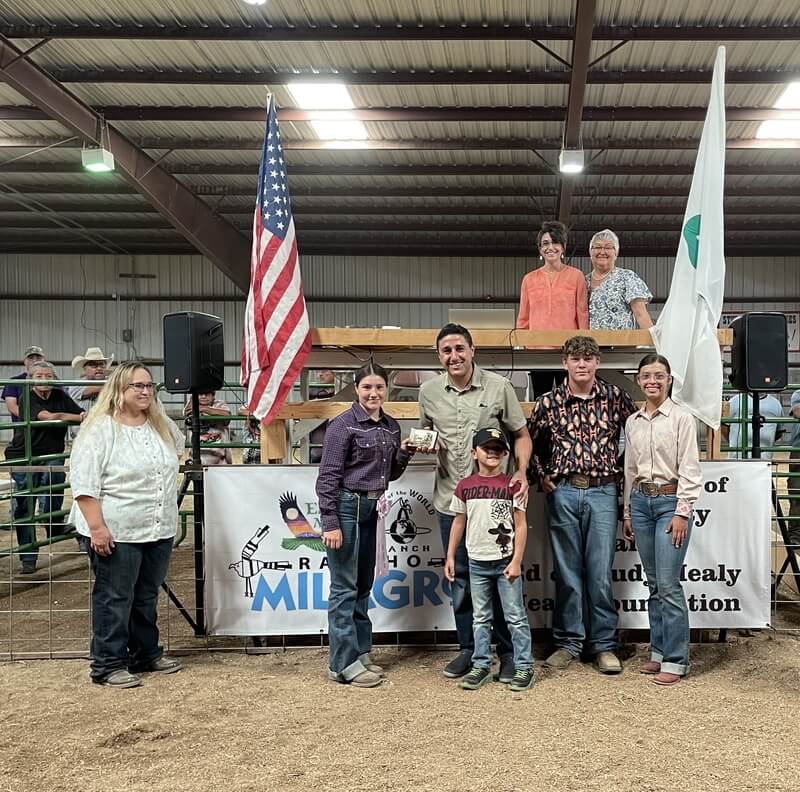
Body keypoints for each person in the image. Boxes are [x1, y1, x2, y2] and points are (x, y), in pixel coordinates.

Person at [418, 323, 531, 682]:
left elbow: (521, 434)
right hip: (453, 500)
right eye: (446, 350)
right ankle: (470, 650)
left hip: (496, 503)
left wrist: (523, 471)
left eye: (459, 348)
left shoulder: (499, 387)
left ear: (472, 350)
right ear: (439, 356)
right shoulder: (428, 391)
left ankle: (508, 652)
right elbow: (426, 435)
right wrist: (425, 444)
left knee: (500, 577)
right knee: (463, 579)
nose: (454, 356)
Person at [68, 361, 185, 688]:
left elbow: (178, 449)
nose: (146, 391)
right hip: (117, 527)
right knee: (115, 596)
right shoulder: (100, 429)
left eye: (149, 386)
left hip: (157, 527)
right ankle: (108, 663)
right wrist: (97, 527)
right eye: (138, 386)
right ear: (119, 389)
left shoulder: (158, 425)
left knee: (145, 595)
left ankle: (145, 652)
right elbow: (84, 483)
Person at [527, 335, 635, 674]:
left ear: (597, 362)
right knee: (568, 573)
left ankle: (603, 645)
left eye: (588, 358)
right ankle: (568, 642)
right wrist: (541, 474)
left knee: (600, 573)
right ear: (565, 363)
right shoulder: (548, 403)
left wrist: (620, 469)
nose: (582, 364)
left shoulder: (615, 397)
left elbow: (637, 435)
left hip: (603, 491)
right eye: (576, 359)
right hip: (563, 492)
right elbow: (529, 443)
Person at [316, 363, 415, 688]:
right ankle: (341, 663)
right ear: (356, 389)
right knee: (344, 587)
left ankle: (359, 651)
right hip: (346, 506)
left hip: (373, 506)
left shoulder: (391, 427)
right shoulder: (342, 425)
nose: (373, 394)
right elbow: (328, 476)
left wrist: (405, 455)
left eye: (379, 388)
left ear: (387, 390)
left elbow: (391, 475)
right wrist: (330, 521)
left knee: (362, 585)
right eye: (367, 388)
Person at [623, 353, 702, 686]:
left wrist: (682, 511)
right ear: (639, 380)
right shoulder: (633, 421)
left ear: (669, 379)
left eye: (658, 375)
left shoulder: (683, 418)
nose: (651, 381)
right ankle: (658, 650)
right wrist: (628, 510)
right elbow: (629, 469)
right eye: (645, 375)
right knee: (654, 583)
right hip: (642, 502)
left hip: (670, 502)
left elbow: (691, 469)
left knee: (669, 584)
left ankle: (676, 658)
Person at [445, 427, 534, 693]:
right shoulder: (465, 486)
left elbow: (520, 525)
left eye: (498, 449)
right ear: (474, 453)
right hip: (477, 561)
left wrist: (517, 559)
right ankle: (481, 664)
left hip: (505, 560)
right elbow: (458, 521)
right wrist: (450, 555)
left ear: (506, 454)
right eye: (487, 448)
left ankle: (524, 666)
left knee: (515, 616)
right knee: (480, 617)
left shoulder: (513, 485)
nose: (493, 453)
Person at [4, 361, 85, 574]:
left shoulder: (60, 395)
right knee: (24, 504)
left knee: (54, 485)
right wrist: (77, 418)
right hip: (24, 456)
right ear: (31, 379)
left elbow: (82, 412)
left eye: (48, 375)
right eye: (38, 376)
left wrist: (76, 416)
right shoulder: (26, 397)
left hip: (51, 454)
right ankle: (28, 555)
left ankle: (53, 525)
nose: (44, 379)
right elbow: (50, 418)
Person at [517, 221, 589, 396]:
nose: (550, 247)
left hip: (568, 350)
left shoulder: (576, 276)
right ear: (540, 249)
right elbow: (523, 316)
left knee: (570, 398)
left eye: (555, 242)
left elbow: (582, 313)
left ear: (563, 247)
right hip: (537, 350)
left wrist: (582, 347)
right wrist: (522, 344)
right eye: (545, 244)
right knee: (542, 398)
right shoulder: (529, 279)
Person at [585, 229, 653, 330]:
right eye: (597, 247)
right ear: (590, 252)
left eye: (608, 247)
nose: (602, 252)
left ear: (616, 253)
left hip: (621, 344)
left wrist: (654, 343)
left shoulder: (627, 277)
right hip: (591, 344)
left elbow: (641, 314)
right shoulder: (583, 281)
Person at [68, 347, 112, 438]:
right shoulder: (76, 385)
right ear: (85, 369)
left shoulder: (111, 382)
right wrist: (113, 384)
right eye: (94, 366)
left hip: (106, 433)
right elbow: (90, 390)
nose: (99, 368)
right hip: (81, 435)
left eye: (102, 365)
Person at [723, 392, 783, 460]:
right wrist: (733, 442)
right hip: (737, 457)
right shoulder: (735, 401)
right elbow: (724, 426)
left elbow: (778, 432)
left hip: (765, 458)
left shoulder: (776, 404)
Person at [183, 391, 231, 465]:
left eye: (207, 394)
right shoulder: (192, 404)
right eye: (200, 394)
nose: (203, 396)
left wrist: (204, 409)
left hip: (219, 458)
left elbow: (227, 414)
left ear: (213, 395)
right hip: (197, 456)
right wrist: (193, 400)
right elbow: (186, 412)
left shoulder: (220, 404)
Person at [2, 345, 45, 421]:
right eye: (31, 358)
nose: (35, 361)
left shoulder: (51, 381)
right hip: (23, 428)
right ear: (25, 361)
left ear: (44, 361)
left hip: (47, 427)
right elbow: (12, 407)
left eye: (38, 358)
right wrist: (34, 417)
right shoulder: (14, 382)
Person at [788, 389, 800, 549]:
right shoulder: (798, 393)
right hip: (799, 449)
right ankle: (796, 535)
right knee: (797, 491)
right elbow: (798, 411)